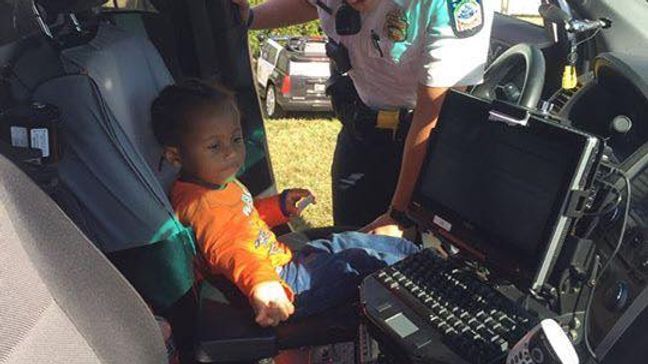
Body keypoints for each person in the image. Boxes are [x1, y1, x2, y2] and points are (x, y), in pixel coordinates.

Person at [150, 80, 419, 327]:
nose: (230, 151)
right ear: (175, 156)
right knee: (361, 259)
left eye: (235, 138)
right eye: (214, 146)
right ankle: (426, 274)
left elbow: (243, 218)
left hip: (284, 261)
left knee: (350, 241)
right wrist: (262, 284)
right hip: (284, 284)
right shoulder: (201, 204)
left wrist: (277, 207)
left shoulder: (216, 183)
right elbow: (230, 249)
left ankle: (420, 257)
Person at [234, 0, 494, 233]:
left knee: (405, 263)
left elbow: (433, 118)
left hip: (420, 144)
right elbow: (308, 4)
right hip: (360, 130)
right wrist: (249, 18)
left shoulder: (449, 6)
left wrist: (398, 215)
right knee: (348, 240)